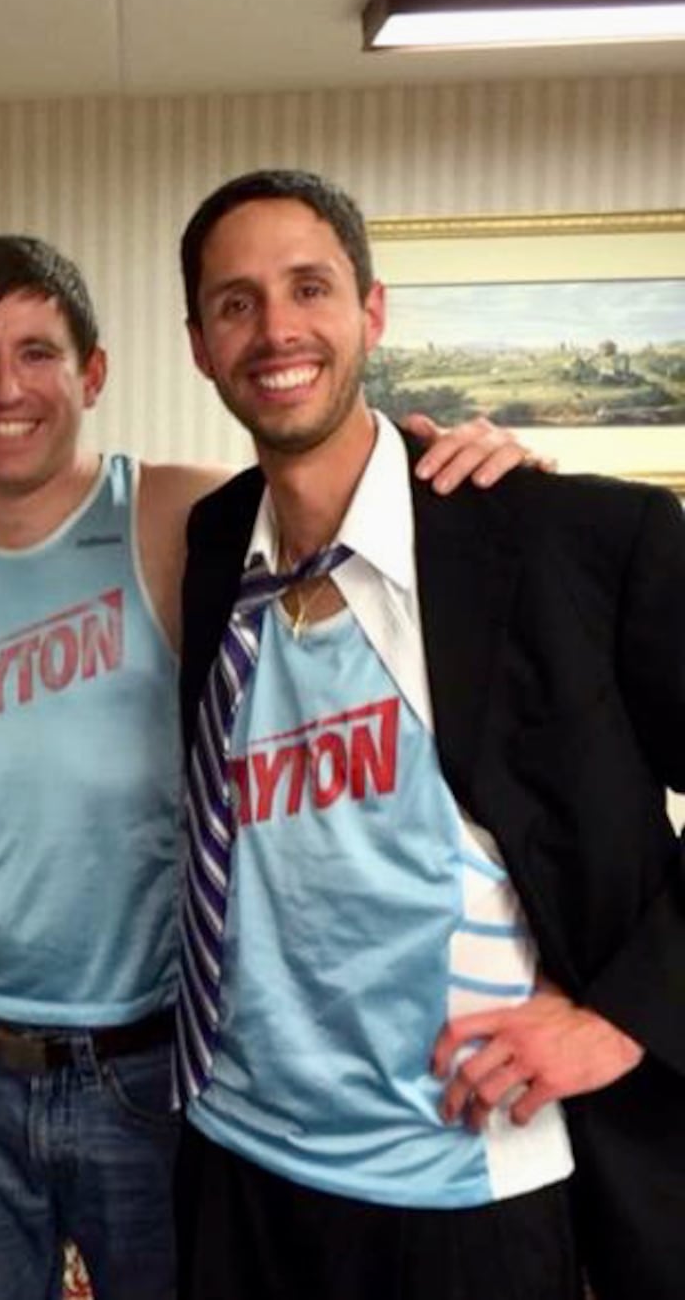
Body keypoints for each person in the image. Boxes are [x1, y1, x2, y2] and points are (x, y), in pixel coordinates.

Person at [0, 233, 530, 1300]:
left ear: (94, 372)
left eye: (38, 350)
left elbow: (346, 481)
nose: (7, 386)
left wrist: (477, 463)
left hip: (152, 1067)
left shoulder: (176, 518)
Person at [173, 168, 685, 1300]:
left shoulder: (572, 540)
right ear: (201, 345)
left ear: (372, 311)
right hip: (241, 1163)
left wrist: (624, 1017)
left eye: (309, 287)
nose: (275, 330)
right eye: (235, 303)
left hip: (472, 1185)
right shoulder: (216, 548)